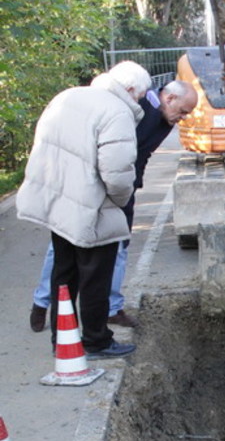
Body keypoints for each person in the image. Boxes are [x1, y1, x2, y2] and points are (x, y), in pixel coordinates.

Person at [29, 79, 198, 332]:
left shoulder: (163, 118)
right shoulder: (136, 108)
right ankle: (43, 304)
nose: (182, 118)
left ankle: (111, 308)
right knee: (65, 246)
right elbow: (111, 151)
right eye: (182, 111)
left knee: (118, 246)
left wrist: (131, 188)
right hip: (91, 185)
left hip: (120, 188)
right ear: (169, 98)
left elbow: (141, 154)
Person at [17, 61, 152, 358]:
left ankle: (62, 339)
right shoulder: (116, 112)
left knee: (63, 274)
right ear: (130, 90)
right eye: (140, 97)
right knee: (95, 276)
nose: (139, 102)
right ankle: (96, 340)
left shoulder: (67, 97)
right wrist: (120, 202)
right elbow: (117, 174)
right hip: (91, 207)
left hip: (58, 202)